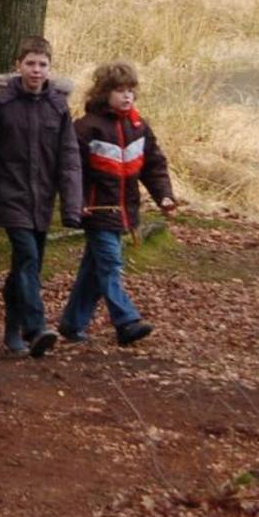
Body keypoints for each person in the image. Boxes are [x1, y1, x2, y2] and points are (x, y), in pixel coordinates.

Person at [0, 36, 81, 358]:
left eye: (42, 64)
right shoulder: (1, 104)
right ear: (18, 65)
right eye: (30, 63)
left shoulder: (58, 107)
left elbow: (69, 158)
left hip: (43, 198)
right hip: (9, 194)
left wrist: (71, 206)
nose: (36, 70)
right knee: (26, 256)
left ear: (49, 68)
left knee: (27, 267)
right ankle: (35, 327)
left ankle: (13, 332)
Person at [58, 61, 176, 348]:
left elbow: (154, 165)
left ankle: (72, 323)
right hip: (96, 211)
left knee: (94, 269)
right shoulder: (86, 128)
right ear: (104, 93)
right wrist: (77, 203)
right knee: (110, 263)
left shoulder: (139, 127)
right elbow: (71, 171)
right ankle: (126, 321)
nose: (127, 96)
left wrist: (164, 195)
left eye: (130, 90)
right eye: (120, 91)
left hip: (125, 211)